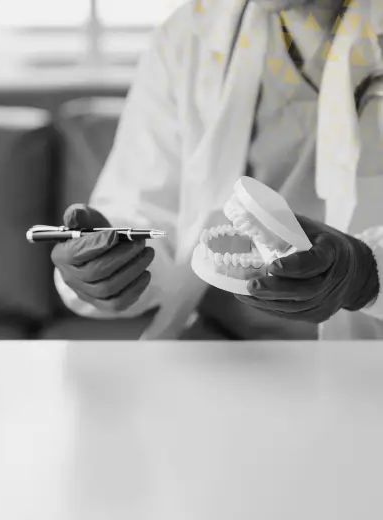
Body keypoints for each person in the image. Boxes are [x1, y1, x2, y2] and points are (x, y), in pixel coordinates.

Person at [51, 0, 383, 340]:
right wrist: (110, 263)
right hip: (220, 348)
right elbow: (147, 212)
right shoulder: (189, 35)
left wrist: (369, 276)